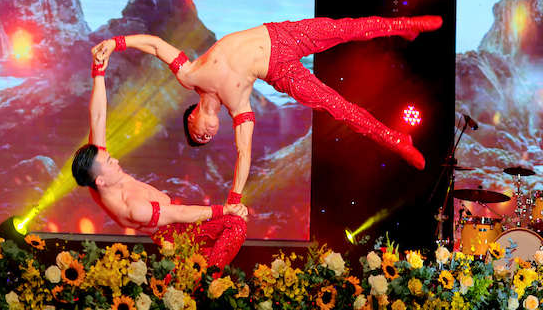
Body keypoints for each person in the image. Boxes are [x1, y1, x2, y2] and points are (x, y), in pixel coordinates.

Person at [93, 15, 443, 204]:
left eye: (199, 135)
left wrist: (115, 42)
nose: (207, 135)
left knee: (344, 29)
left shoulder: (189, 74)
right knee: (338, 107)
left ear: (192, 117)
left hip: (282, 35)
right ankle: (396, 140)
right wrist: (234, 198)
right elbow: (243, 155)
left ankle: (405, 26)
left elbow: (155, 45)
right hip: (280, 71)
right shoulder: (239, 109)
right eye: (207, 140)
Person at [72, 45, 248, 272]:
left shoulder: (97, 173)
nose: (115, 161)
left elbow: (97, 116)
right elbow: (179, 214)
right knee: (235, 225)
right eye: (109, 163)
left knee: (233, 224)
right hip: (180, 234)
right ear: (100, 180)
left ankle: (201, 278)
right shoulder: (132, 208)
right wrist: (224, 210)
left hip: (180, 219)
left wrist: (98, 70)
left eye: (110, 158)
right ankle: (204, 281)